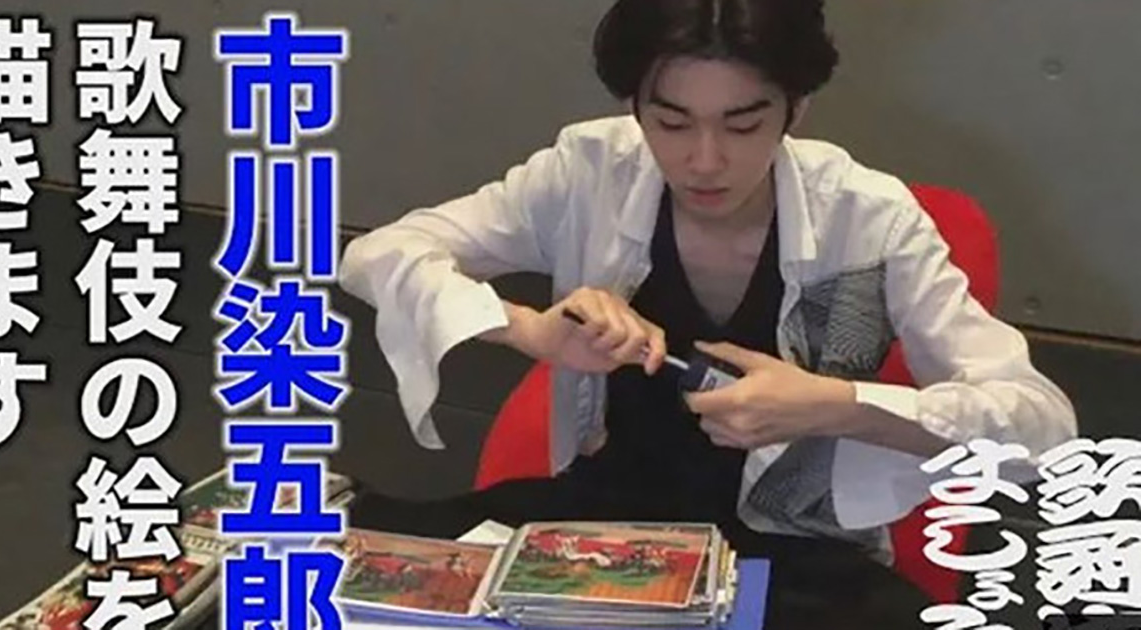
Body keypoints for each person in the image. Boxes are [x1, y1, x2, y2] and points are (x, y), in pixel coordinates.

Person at [338, 0, 1077, 625]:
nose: (704, 160)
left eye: (743, 124)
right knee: (355, 572)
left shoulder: (871, 220)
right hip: (601, 527)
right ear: (635, 108)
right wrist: (530, 331)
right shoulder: (589, 171)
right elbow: (380, 255)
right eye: (671, 122)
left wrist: (834, 406)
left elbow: (1041, 427)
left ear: (795, 108)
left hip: (794, 553)